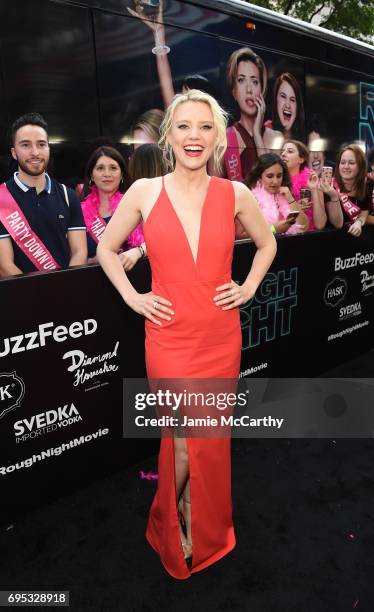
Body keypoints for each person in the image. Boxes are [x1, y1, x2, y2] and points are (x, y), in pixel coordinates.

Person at [97, 89, 276, 579]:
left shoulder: (235, 193)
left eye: (204, 127)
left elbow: (267, 244)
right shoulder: (144, 192)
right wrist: (134, 298)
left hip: (220, 335)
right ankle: (167, 517)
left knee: (210, 437)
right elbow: (106, 250)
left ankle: (202, 519)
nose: (194, 136)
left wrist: (248, 287)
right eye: (184, 127)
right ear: (168, 135)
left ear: (218, 136)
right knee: (180, 441)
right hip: (169, 337)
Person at [0, 112, 87, 277]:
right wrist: (38, 297)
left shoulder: (68, 196)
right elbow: (4, 265)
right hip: (21, 297)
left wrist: (62, 290)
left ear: (48, 148)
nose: (35, 152)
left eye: (41, 144)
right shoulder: (1, 199)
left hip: (65, 293)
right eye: (25, 145)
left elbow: (79, 252)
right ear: (13, 152)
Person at [80, 146, 145, 269]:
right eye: (100, 168)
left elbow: (156, 242)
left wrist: (137, 252)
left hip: (131, 280)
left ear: (122, 175)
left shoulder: (135, 204)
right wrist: (91, 262)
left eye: (113, 168)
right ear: (92, 175)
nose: (107, 174)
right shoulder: (78, 211)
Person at [224, 47, 282, 181]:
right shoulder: (225, 137)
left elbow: (271, 181)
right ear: (234, 91)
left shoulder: (276, 137)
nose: (249, 90)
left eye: (255, 81)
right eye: (241, 80)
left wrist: (256, 134)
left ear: (262, 89)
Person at [280, 139, 338, 231]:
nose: (283, 154)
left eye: (290, 151)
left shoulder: (313, 180)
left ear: (301, 159)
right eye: (282, 152)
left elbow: (320, 225)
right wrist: (294, 207)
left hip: (308, 238)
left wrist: (314, 189)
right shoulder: (275, 182)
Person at [245, 153, 309, 235]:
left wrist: (290, 199)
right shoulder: (250, 198)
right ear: (259, 177)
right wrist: (273, 229)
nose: (275, 181)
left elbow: (304, 227)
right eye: (270, 176)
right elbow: (243, 235)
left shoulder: (285, 195)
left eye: (279, 176)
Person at [322, 144, 373, 236]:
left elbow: (364, 212)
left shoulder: (368, 184)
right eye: (342, 162)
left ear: (360, 166)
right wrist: (334, 196)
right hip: (331, 240)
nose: (346, 166)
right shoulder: (329, 186)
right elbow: (337, 224)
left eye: (351, 163)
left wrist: (359, 222)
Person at [270, 72, 305, 141]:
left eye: (292, 100)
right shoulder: (265, 131)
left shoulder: (304, 139)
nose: (287, 105)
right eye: (283, 96)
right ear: (275, 99)